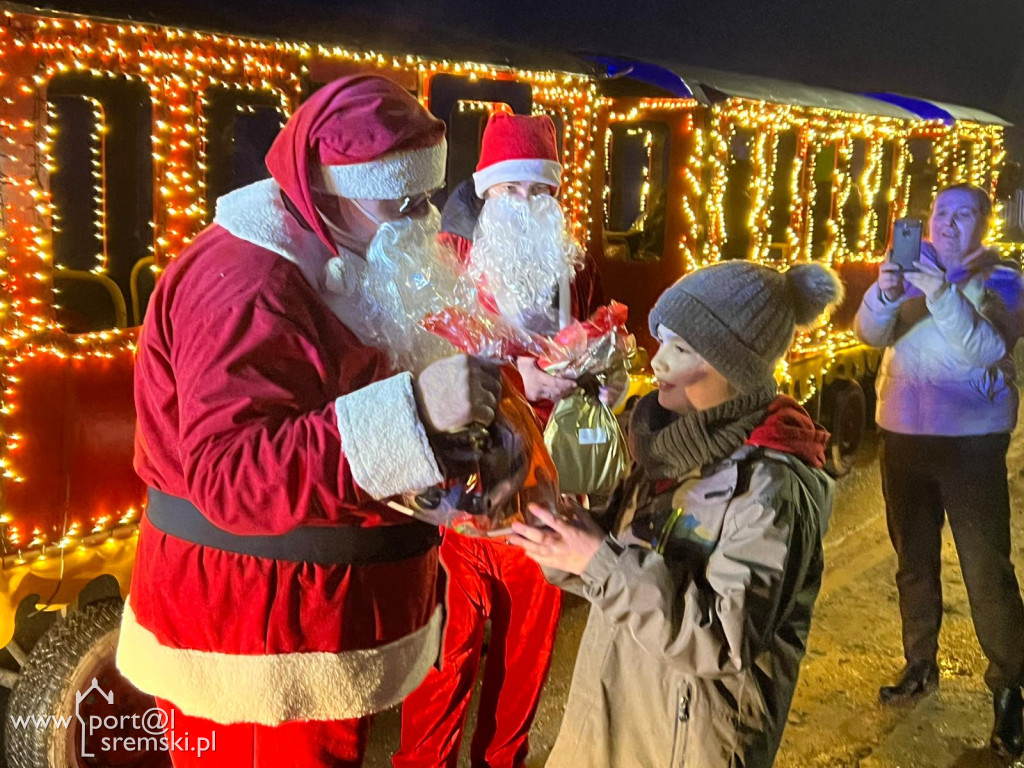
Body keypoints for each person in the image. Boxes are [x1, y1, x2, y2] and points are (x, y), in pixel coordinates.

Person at [115, 76, 501, 768]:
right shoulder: (248, 282)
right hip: (258, 645)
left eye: (426, 195)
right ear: (326, 188)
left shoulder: (348, 247)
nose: (421, 217)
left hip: (315, 628)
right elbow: (230, 475)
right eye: (401, 196)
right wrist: (416, 411)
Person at [510, 260, 841, 768]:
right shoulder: (661, 447)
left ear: (736, 367)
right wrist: (557, 535)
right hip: (612, 717)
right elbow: (611, 570)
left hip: (683, 744)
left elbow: (723, 639)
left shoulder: (771, 487)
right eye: (661, 341)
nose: (658, 362)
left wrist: (597, 559)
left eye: (682, 349)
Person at [394, 112, 601, 768]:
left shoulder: (574, 266)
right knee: (443, 655)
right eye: (513, 190)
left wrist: (589, 376)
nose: (527, 204)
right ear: (487, 191)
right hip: (461, 501)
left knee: (525, 654)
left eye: (541, 192)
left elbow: (600, 367)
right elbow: (421, 366)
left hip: (542, 501)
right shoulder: (447, 261)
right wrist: (519, 377)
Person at [854, 183, 1024, 758]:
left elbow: (985, 348)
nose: (950, 225)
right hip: (903, 434)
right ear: (927, 223)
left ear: (985, 223)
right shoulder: (913, 273)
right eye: (942, 214)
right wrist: (884, 292)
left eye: (965, 215)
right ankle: (919, 663)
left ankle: (1009, 688)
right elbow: (870, 335)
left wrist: (941, 293)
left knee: (986, 571)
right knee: (914, 563)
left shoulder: (1002, 280)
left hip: (971, 444)